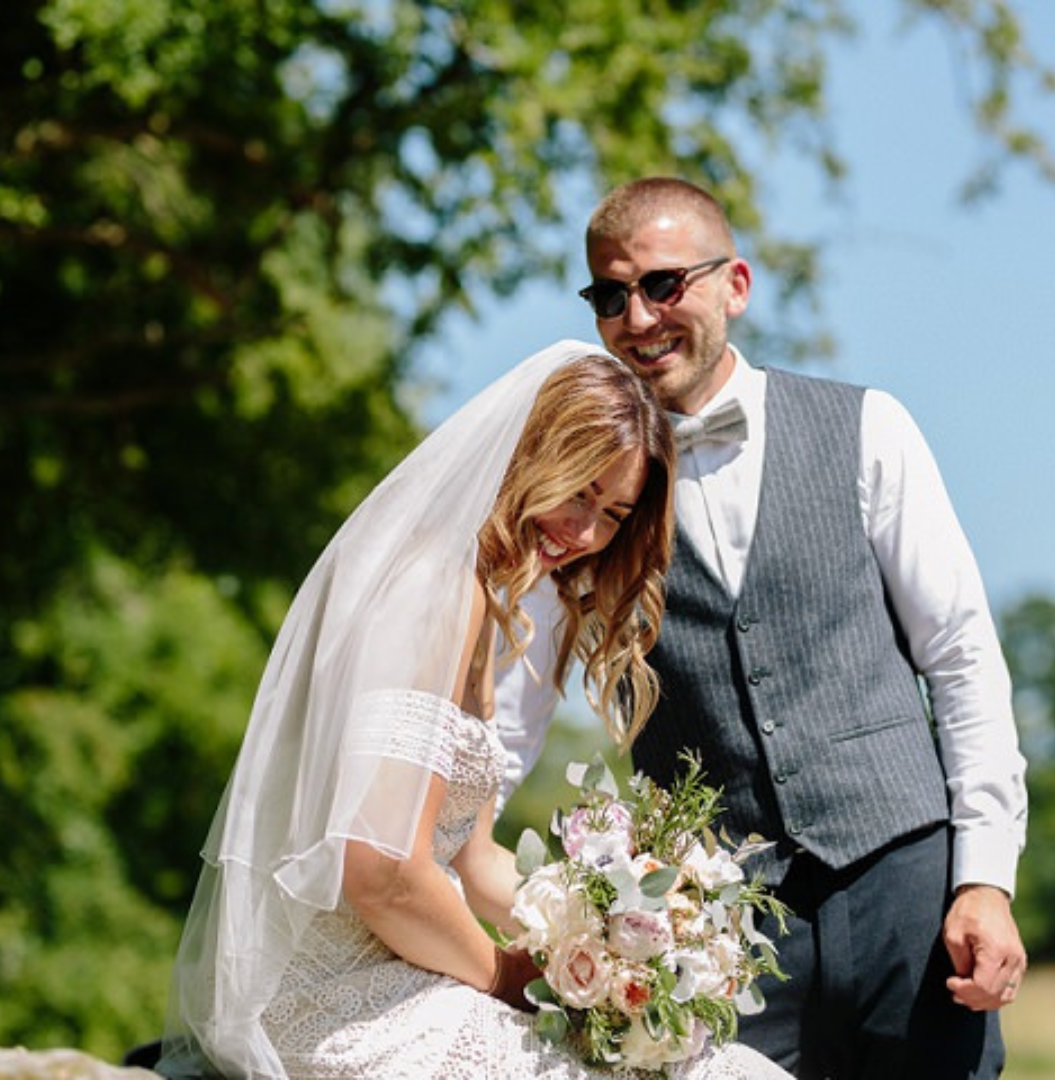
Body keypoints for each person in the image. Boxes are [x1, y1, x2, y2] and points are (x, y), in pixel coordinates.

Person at [495, 178, 1029, 1079]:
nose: (638, 317)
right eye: (610, 296)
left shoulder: (869, 429)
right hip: (712, 936)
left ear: (734, 285)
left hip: (905, 888)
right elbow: (512, 711)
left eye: (664, 284)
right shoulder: (581, 497)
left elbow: (963, 659)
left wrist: (984, 875)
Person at [156, 340, 792, 1080]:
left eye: (615, 513)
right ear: (532, 450)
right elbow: (382, 868)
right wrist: (507, 979)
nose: (586, 533)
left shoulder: (484, 600)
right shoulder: (436, 586)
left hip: (406, 968)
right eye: (580, 490)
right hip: (344, 1001)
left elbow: (474, 857)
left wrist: (615, 935)